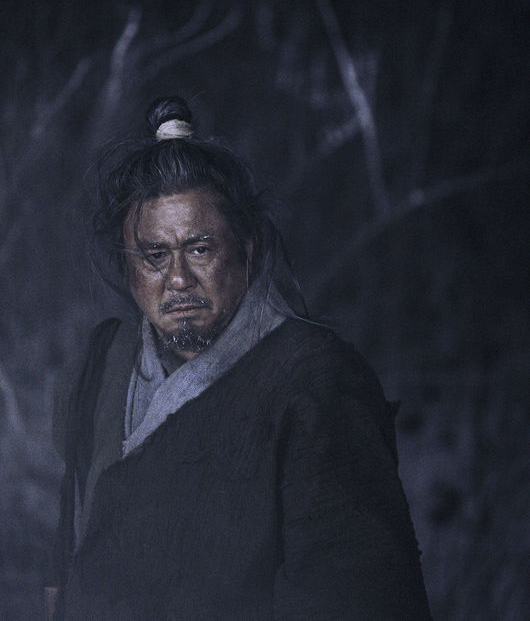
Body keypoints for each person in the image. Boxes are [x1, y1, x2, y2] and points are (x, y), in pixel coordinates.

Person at [50, 96, 432, 620]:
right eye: (155, 255)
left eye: (200, 249)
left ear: (246, 249)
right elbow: (68, 565)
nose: (178, 279)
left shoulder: (315, 383)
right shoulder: (104, 367)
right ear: (127, 266)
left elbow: (357, 601)